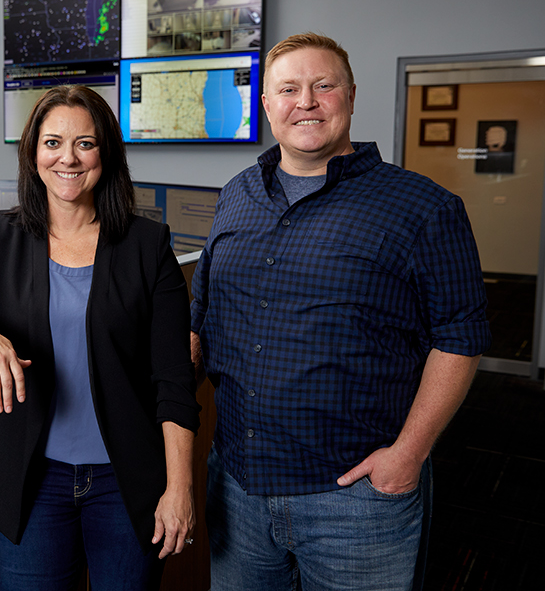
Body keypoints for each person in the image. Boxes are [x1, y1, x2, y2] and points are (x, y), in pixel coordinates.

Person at [190, 33, 491, 590]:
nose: (305, 101)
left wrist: (409, 455)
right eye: (288, 89)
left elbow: (462, 337)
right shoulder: (236, 194)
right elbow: (203, 314)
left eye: (322, 86)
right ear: (267, 106)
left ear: (350, 97)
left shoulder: (424, 208)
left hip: (355, 500)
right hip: (237, 489)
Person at [0, 86, 200, 590]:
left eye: (86, 143)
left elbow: (173, 382)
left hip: (126, 486)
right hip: (33, 485)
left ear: (107, 154)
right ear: (34, 153)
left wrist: (179, 488)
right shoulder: (2, 235)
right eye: (53, 142)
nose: (68, 159)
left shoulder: (147, 245)